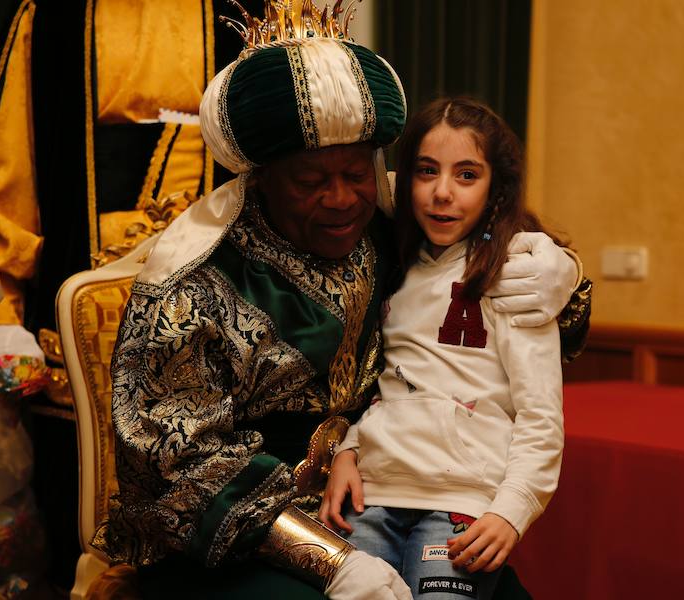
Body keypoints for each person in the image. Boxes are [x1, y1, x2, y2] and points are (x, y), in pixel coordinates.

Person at [91, 6, 584, 600]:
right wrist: (332, 561)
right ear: (262, 177)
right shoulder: (191, 283)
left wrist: (560, 272)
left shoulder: (386, 224)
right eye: (310, 182)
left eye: (357, 173)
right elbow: (178, 472)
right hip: (239, 533)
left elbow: (481, 286)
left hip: (386, 488)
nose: (342, 199)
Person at [318, 97, 573, 599]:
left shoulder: (518, 274)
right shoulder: (390, 264)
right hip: (374, 494)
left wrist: (512, 509)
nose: (441, 193)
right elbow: (386, 386)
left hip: (461, 501)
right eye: (426, 171)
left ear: (495, 189)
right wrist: (347, 451)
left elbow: (541, 416)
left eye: (467, 175)